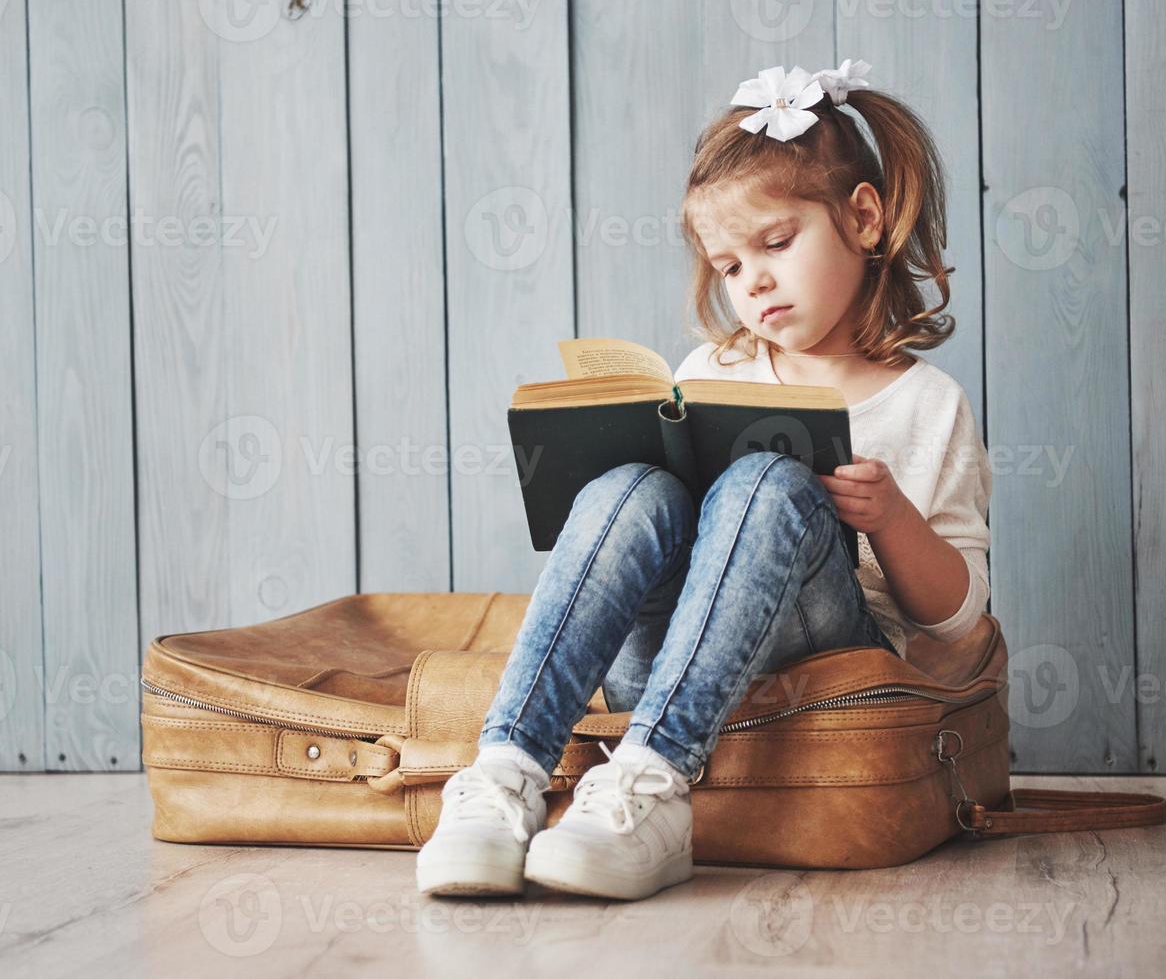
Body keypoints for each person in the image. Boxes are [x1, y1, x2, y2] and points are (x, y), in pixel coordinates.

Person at [416, 60, 993, 901]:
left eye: (776, 243)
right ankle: (503, 772)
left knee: (768, 483)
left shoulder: (928, 405)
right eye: (727, 265)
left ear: (862, 219)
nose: (750, 282)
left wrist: (891, 517)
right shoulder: (711, 368)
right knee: (631, 487)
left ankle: (648, 787)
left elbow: (959, 617)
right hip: (665, 653)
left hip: (823, 655)